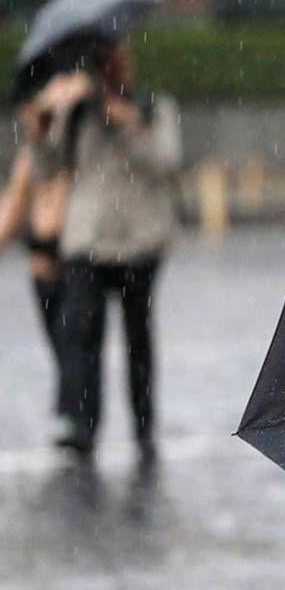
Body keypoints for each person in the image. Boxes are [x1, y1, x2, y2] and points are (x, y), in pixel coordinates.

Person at [31, 39, 182, 461]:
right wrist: (42, 129)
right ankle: (82, 425)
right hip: (88, 244)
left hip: (139, 243)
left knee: (139, 338)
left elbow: (167, 161)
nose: (116, 69)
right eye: (107, 63)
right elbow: (46, 167)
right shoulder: (77, 113)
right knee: (82, 335)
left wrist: (132, 124)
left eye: (121, 60)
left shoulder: (153, 108)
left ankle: (143, 425)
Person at [0, 73, 91, 432]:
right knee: (61, 343)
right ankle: (73, 411)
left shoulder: (78, 153)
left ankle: (74, 415)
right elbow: (11, 209)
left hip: (72, 256)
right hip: (42, 262)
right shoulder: (31, 160)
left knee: (74, 340)